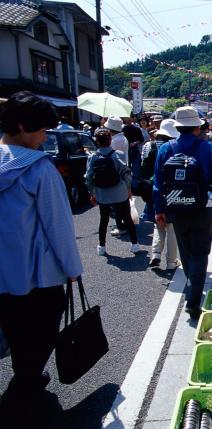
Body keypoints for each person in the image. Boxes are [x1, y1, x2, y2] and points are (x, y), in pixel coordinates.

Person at [0, 92, 83, 418]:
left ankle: (26, 380)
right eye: (42, 130)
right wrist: (73, 269)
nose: (46, 137)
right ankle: (25, 387)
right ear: (22, 126)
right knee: (38, 332)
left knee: (13, 327)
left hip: (4, 276)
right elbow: (58, 227)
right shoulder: (39, 170)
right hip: (39, 276)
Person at [153, 106, 212, 319]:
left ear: (178, 127)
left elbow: (158, 183)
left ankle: (192, 287)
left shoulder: (166, 149)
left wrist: (159, 209)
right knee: (200, 253)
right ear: (197, 128)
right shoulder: (209, 149)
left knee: (186, 251)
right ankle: (193, 301)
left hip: (176, 207)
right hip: (202, 208)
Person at [86, 128, 140, 256]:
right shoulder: (119, 154)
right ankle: (135, 245)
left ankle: (102, 246)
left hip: (102, 193)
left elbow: (88, 177)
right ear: (110, 140)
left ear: (97, 142)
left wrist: (92, 193)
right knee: (127, 218)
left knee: (103, 219)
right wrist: (128, 189)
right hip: (119, 192)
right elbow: (126, 173)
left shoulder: (93, 157)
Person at [142, 119, 180, 270]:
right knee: (171, 226)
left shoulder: (148, 145)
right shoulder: (175, 148)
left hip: (152, 189)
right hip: (172, 190)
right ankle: (171, 262)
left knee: (158, 222)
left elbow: (142, 165)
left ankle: (156, 254)